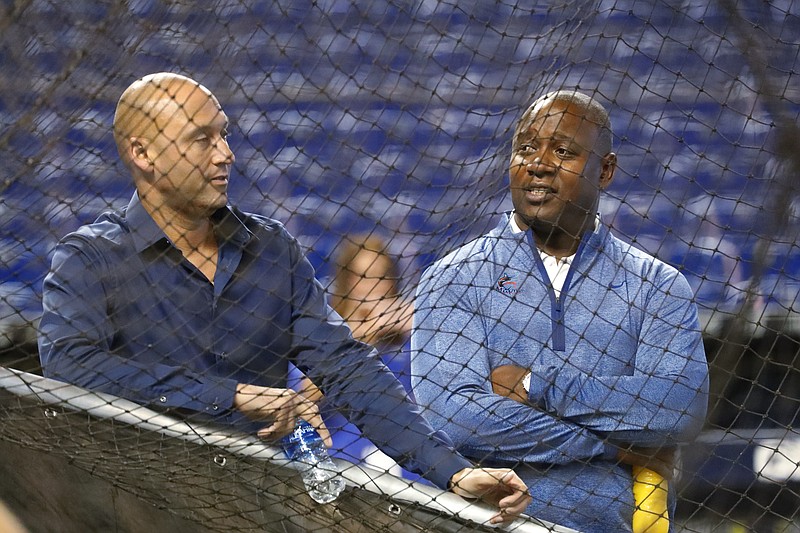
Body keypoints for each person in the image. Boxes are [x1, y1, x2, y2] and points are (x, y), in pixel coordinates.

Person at [37, 72, 531, 524]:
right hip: (130, 509)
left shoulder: (271, 249)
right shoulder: (90, 259)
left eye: (223, 133)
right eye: (201, 139)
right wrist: (230, 396)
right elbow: (69, 367)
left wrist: (452, 472)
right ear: (143, 155)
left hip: (254, 509)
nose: (225, 153)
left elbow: (349, 368)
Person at [410, 90, 709, 532]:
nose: (539, 163)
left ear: (605, 170)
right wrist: (618, 446)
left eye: (563, 150)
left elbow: (678, 410)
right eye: (526, 148)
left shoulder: (656, 285)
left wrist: (536, 384)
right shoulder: (453, 276)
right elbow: (455, 419)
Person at [293, 234, 417, 479]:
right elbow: (302, 397)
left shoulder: (410, 339)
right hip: (339, 460)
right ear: (346, 282)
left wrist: (426, 326)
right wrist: (364, 333)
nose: (373, 287)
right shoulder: (320, 332)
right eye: (363, 277)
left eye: (381, 277)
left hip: (410, 466)